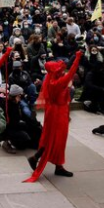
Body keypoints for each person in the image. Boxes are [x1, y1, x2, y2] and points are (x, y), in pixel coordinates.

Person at [27, 52, 82, 181]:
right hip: (58, 113)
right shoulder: (57, 83)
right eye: (60, 69)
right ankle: (53, 164)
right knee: (57, 139)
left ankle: (46, 161)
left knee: (52, 138)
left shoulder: (52, 80)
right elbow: (72, 71)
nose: (62, 71)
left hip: (55, 111)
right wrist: (77, 58)